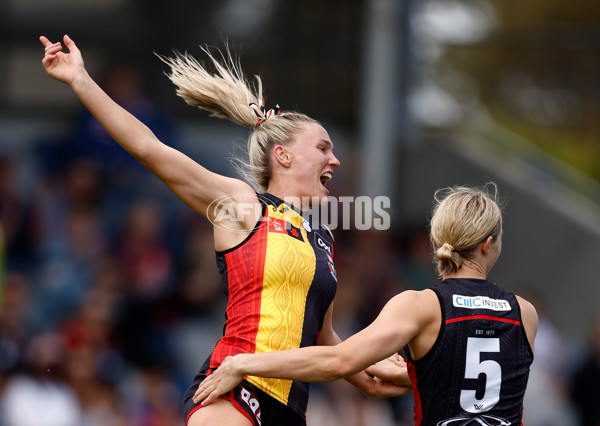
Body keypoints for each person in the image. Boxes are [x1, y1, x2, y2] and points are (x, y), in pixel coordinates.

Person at [39, 35, 409, 426]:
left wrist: (367, 370)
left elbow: (323, 337)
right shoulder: (243, 205)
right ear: (282, 156)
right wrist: (80, 78)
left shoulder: (324, 239)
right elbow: (149, 148)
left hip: (291, 410)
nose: (334, 159)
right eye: (322, 148)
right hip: (233, 392)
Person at [195, 184, 539, 425]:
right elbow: (474, 376)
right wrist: (414, 373)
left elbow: (339, 361)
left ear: (436, 241)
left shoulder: (422, 306)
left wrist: (243, 363)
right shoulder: (525, 313)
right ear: (489, 244)